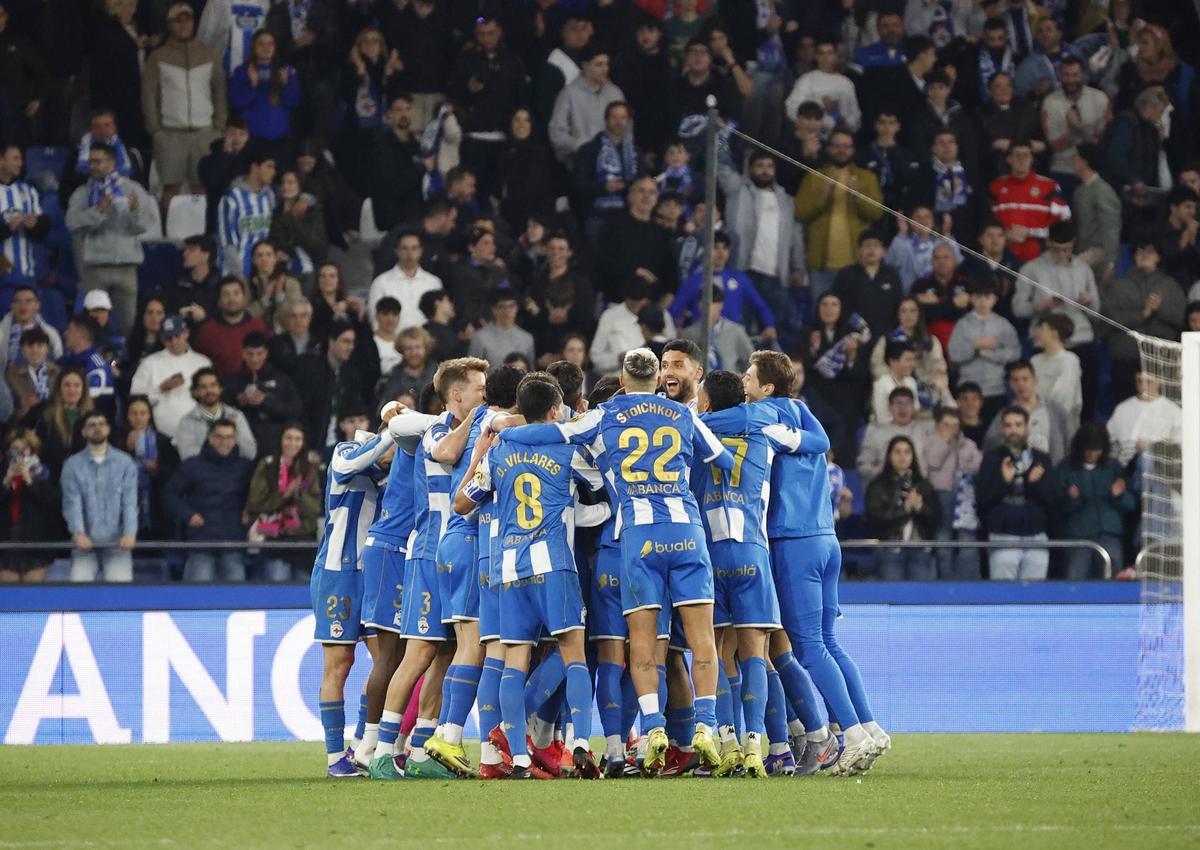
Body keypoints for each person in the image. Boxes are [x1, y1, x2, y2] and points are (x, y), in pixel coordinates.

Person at [495, 348, 734, 776]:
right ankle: (705, 726)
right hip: (686, 531)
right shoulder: (681, 413)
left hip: (637, 537)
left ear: (622, 380)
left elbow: (549, 435)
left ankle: (653, 728)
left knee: (639, 646)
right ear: (658, 378)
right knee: (701, 641)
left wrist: (505, 431)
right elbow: (724, 460)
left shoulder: (603, 416)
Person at [744, 350, 887, 772]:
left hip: (794, 542)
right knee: (828, 643)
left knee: (808, 647)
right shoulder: (803, 413)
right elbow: (824, 443)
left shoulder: (761, 414)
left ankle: (853, 734)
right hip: (827, 539)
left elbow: (723, 423)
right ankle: (871, 726)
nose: (744, 382)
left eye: (750, 376)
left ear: (767, 386)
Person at [65, 142, 160, 335]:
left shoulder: (132, 189)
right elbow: (72, 222)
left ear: (112, 162)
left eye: (98, 161)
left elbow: (146, 224)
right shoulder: (83, 193)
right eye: (90, 161)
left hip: (126, 266)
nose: (92, 166)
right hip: (94, 267)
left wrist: (135, 211)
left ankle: (126, 363)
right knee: (92, 326)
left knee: (129, 324)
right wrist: (98, 211)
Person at [142, 4, 226, 212]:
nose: (184, 24)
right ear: (169, 25)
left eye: (188, 19)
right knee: (170, 188)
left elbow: (220, 90)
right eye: (178, 20)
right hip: (171, 133)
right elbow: (148, 95)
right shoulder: (158, 56)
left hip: (205, 131)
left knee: (201, 186)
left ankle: (201, 235)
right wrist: (155, 130)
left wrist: (219, 126)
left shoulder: (209, 53)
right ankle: (167, 235)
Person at [1012, 221, 1100, 419]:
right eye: (1057, 249)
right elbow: (1017, 308)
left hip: (1080, 340)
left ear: (1074, 244)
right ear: (1048, 243)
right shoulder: (1031, 269)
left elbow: (1097, 311)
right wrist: (1038, 307)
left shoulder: (1083, 269)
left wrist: (1088, 302)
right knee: (1045, 405)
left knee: (1086, 405)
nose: (1061, 254)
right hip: (1046, 344)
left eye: (1066, 250)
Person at [716, 150, 800, 335]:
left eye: (769, 166)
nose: (765, 171)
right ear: (750, 169)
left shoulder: (786, 200)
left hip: (776, 276)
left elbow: (794, 237)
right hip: (744, 271)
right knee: (741, 328)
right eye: (760, 166)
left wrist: (797, 267)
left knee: (773, 330)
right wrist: (721, 139)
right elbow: (720, 168)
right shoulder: (738, 190)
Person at [795, 131, 886, 300]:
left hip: (856, 263)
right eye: (836, 146)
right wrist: (823, 197)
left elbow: (876, 213)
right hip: (821, 263)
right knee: (821, 316)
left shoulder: (867, 178)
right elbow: (800, 213)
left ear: (853, 150)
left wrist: (857, 195)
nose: (841, 150)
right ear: (828, 149)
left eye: (846, 146)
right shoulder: (814, 177)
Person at [164, 419, 254, 581]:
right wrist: (187, 515)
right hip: (200, 541)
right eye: (219, 437)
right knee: (197, 599)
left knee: (237, 598)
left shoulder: (245, 467)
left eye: (229, 437)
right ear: (210, 438)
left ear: (235, 440)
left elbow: (258, 495)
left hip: (233, 542)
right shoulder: (192, 465)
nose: (224, 442)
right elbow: (170, 494)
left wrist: (250, 512)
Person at [975, 405, 1055, 581]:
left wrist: (1033, 484)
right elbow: (983, 500)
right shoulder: (991, 459)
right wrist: (1004, 481)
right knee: (1004, 597)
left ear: (1027, 427)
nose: (1013, 430)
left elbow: (1051, 500)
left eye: (1018, 425)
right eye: (1009, 425)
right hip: (1003, 536)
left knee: (1034, 598)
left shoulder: (1041, 459)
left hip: (1036, 536)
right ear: (1003, 429)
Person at [1103, 240, 1185, 406]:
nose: (1145, 254)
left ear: (1159, 257)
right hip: (1127, 358)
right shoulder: (1119, 286)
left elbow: (1181, 318)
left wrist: (1160, 309)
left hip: (1161, 360)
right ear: (1134, 256)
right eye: (1140, 250)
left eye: (1150, 251)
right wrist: (1143, 313)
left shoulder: (1170, 285)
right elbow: (1110, 319)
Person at [62, 411, 139, 583]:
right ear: (83, 432)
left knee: (120, 599)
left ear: (109, 429)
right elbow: (71, 503)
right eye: (92, 424)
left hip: (118, 544)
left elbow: (130, 503)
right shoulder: (72, 465)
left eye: (101, 423)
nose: (97, 428)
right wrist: (78, 533)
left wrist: (130, 532)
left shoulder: (125, 463)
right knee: (78, 594)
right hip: (84, 545)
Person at [1055, 423, 1134, 580]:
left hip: (1109, 536)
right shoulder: (1066, 468)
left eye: (1097, 449)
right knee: (1076, 582)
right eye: (1088, 449)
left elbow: (1131, 505)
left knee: (1113, 583)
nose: (1092, 454)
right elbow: (1057, 507)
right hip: (1078, 538)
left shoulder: (1114, 468)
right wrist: (1072, 499)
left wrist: (1119, 495)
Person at [244, 423, 322, 581]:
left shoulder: (310, 469)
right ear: (280, 440)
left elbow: (315, 508)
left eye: (298, 439)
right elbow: (256, 503)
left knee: (304, 595)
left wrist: (298, 494)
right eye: (288, 438)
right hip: (274, 540)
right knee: (278, 591)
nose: (293, 443)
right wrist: (284, 495)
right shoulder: (267, 465)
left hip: (303, 540)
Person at [920, 406, 983, 580]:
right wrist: (945, 443)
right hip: (939, 496)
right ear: (938, 425)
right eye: (946, 425)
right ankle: (944, 581)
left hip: (965, 498)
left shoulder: (969, 445)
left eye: (955, 425)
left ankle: (969, 583)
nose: (951, 429)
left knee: (967, 541)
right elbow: (933, 462)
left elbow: (978, 467)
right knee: (943, 540)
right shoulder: (929, 443)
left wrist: (964, 469)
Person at [948, 278, 1022, 424]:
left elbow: (1015, 353)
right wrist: (976, 345)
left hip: (996, 390)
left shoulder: (1003, 325)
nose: (983, 302)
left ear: (994, 299)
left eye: (987, 297)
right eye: (978, 297)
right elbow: (954, 354)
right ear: (971, 298)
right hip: (968, 391)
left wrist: (989, 354)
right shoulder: (962, 325)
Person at [866, 435, 940, 581]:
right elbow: (875, 518)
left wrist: (920, 507)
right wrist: (905, 508)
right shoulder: (878, 485)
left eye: (907, 452)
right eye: (897, 452)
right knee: (892, 597)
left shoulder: (923, 485)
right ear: (889, 456)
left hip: (920, 549)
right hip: (890, 548)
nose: (902, 456)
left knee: (920, 599)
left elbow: (936, 518)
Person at [129, 315, 214, 441]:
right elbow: (135, 399)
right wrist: (160, 388)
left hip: (199, 434)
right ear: (162, 339)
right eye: (169, 338)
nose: (174, 342)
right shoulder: (149, 363)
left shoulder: (203, 363)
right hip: (161, 436)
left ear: (186, 334)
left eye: (177, 336)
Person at [988, 139, 1070, 264]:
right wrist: (1004, 235)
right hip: (1003, 260)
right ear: (1009, 159)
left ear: (1032, 159)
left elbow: (1064, 225)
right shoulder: (996, 187)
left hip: (1040, 260)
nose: (1022, 159)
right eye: (1017, 155)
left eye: (1026, 155)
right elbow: (986, 224)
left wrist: (1031, 232)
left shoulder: (1049, 186)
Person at [297, 320, 373, 453]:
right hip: (311, 445)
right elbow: (302, 411)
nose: (350, 347)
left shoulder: (352, 375)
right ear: (331, 342)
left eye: (352, 342)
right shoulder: (311, 370)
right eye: (345, 341)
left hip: (341, 444)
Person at [224, 331, 302, 455]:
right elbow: (222, 412)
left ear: (266, 353)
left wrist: (266, 401)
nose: (254, 359)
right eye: (250, 354)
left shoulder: (281, 380)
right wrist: (238, 401)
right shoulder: (232, 382)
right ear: (243, 354)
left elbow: (295, 411)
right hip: (241, 446)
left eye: (259, 354)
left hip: (274, 445)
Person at [1039, 57, 1109, 192]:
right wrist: (1076, 131)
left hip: (1093, 171)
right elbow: (1054, 143)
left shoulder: (1100, 98)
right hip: (1062, 169)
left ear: (1083, 74)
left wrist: (1079, 128)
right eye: (1066, 75)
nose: (1071, 80)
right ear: (1059, 75)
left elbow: (1103, 140)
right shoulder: (1050, 102)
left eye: (1075, 75)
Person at [548, 45, 625, 165]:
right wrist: (582, 147)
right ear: (585, 66)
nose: (605, 69)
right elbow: (557, 133)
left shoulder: (615, 93)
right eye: (599, 64)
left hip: (614, 163)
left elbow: (627, 127)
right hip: (580, 163)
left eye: (606, 64)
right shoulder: (569, 94)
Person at [0, 428, 56, 583]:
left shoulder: (42, 472)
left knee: (34, 595)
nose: (19, 453)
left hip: (34, 540)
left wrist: (28, 479)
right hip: (6, 539)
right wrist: (6, 480)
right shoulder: (2, 473)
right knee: (10, 598)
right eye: (15, 449)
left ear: (31, 450)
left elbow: (49, 501)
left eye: (23, 449)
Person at [228, 29, 300, 150]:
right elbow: (236, 103)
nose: (266, 47)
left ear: (275, 47)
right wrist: (253, 85)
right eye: (261, 44)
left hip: (280, 139)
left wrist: (286, 84)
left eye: (270, 43)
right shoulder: (242, 71)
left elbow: (293, 103)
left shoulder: (286, 70)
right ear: (253, 47)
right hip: (251, 139)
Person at [119, 395, 179, 539]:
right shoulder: (117, 439)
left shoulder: (163, 440)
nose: (138, 417)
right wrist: (127, 449)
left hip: (157, 502)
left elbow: (174, 471)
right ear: (127, 416)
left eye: (143, 413)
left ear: (149, 416)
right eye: (134, 413)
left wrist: (157, 469)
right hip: (126, 501)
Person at [589, 279, 675, 376]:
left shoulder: (660, 313)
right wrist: (617, 358)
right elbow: (595, 356)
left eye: (640, 303)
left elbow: (671, 347)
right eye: (633, 304)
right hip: (617, 380)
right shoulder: (609, 317)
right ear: (626, 298)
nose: (637, 307)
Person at [191, 277, 272, 377]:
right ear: (219, 301)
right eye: (226, 294)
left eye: (236, 293)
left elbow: (270, 359)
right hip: (221, 389)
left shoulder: (260, 326)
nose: (232, 299)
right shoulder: (207, 331)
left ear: (244, 298)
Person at [831, 230, 903, 340]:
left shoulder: (892, 275)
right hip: (852, 335)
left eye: (876, 245)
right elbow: (837, 305)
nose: (871, 249)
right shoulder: (846, 274)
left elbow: (898, 304)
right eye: (867, 245)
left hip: (885, 335)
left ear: (884, 251)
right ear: (859, 250)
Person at [173, 367, 258, 460]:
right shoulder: (187, 421)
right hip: (202, 471)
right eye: (203, 387)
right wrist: (221, 449)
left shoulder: (237, 416)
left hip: (233, 470)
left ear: (220, 389)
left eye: (213, 385)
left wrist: (234, 432)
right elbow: (186, 455)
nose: (209, 390)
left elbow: (250, 452)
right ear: (195, 392)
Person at [216, 146, 276, 277]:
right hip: (235, 277)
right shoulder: (231, 198)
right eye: (269, 167)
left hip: (262, 275)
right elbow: (226, 243)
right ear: (255, 167)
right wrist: (240, 276)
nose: (273, 172)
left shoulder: (269, 196)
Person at [367, 232, 443, 332]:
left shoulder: (434, 283)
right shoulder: (381, 282)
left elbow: (440, 317)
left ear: (421, 251)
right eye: (404, 248)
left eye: (414, 248)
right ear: (397, 251)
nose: (409, 253)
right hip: (392, 343)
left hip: (426, 343)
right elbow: (374, 318)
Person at [23, 368, 90, 478]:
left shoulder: (93, 416)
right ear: (59, 388)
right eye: (67, 385)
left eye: (77, 385)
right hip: (48, 477)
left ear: (83, 389)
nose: (72, 390)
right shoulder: (42, 411)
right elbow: (19, 433)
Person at [784, 40, 861, 135]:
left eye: (830, 53)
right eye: (821, 53)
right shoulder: (806, 80)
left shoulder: (847, 84)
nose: (825, 57)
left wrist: (837, 112)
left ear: (836, 56)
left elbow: (855, 121)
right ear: (816, 56)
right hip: (811, 134)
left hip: (840, 136)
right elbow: (791, 109)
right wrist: (820, 109)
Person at [858, 386, 935, 481]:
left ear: (914, 408)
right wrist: (885, 474)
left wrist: (944, 391)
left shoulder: (925, 428)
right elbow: (863, 466)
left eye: (908, 403)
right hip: (887, 487)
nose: (903, 408)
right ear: (890, 408)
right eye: (898, 403)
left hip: (919, 487)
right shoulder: (876, 432)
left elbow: (953, 420)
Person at [1106, 372, 1182, 466]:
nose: (1143, 386)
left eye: (1148, 382)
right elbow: (1109, 440)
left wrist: (1152, 447)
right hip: (1125, 468)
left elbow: (1179, 446)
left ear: (1159, 381)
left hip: (1158, 468)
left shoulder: (1173, 411)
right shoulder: (1122, 408)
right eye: (1139, 381)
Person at [1071, 143, 1121, 283]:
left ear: (1084, 161)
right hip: (1082, 250)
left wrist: (1111, 263)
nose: (1073, 160)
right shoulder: (1079, 191)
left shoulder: (1103, 191)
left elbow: (1111, 228)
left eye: (1076, 157)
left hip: (1099, 252)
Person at [0, 145, 51, 283]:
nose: (20, 163)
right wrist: (7, 228)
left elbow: (43, 229)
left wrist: (35, 225)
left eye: (21, 159)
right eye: (15, 159)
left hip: (25, 273)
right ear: (1, 160)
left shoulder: (28, 191)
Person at [680, 286, 754, 374]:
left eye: (711, 303)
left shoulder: (735, 331)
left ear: (720, 305)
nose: (706, 307)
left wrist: (743, 380)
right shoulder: (689, 334)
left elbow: (752, 360)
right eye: (702, 303)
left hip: (730, 383)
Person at [1029, 314, 1083, 432]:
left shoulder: (1069, 361)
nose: (1037, 333)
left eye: (1042, 329)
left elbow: (1063, 399)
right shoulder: (1034, 361)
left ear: (1055, 333)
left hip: (1059, 427)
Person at [58, 315, 116, 422]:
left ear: (81, 334)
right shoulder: (64, 362)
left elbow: (96, 407)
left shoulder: (97, 367)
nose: (65, 333)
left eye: (70, 329)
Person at [162, 235, 222, 324]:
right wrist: (179, 313)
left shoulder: (220, 285)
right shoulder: (177, 282)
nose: (185, 253)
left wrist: (205, 316)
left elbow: (226, 315)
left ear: (206, 255)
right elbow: (166, 309)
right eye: (185, 249)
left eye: (191, 250)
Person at [244, 239, 302, 332]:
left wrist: (279, 297)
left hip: (282, 336)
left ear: (275, 258)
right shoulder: (245, 284)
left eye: (268, 255)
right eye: (259, 255)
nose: (264, 258)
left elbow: (294, 317)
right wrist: (264, 300)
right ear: (253, 260)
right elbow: (243, 317)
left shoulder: (291, 284)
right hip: (253, 336)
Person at [0, 285, 62, 369]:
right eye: (18, 301)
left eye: (28, 301)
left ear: (37, 305)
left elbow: (58, 360)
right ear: (12, 306)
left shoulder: (50, 333)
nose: (23, 306)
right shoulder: (2, 330)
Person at [469, 289, 536, 367]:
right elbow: (472, 371)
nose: (507, 311)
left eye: (511, 306)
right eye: (502, 306)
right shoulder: (480, 338)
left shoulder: (527, 339)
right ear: (494, 310)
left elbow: (531, 371)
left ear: (517, 308)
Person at [6, 327, 59, 422]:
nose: (35, 350)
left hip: (54, 423)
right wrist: (24, 409)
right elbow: (6, 409)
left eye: (39, 345)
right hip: (23, 426)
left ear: (47, 349)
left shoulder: (58, 373)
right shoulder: (11, 376)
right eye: (30, 345)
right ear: (22, 349)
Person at [1155, 186, 1199, 294]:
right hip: (1165, 288)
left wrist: (1192, 241)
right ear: (1174, 208)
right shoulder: (1159, 231)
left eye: (1195, 208)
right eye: (1188, 207)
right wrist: (1183, 242)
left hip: (1191, 287)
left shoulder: (1194, 231)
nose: (1192, 212)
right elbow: (1165, 263)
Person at [379, 326, 438, 404]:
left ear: (426, 348)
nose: (414, 353)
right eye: (408, 348)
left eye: (418, 347)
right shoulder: (393, 374)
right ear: (401, 350)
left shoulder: (438, 373)